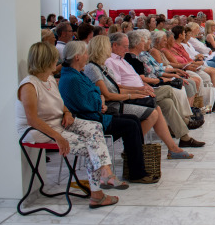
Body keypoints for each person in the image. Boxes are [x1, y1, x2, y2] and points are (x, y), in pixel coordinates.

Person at [17, 42, 124, 209]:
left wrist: (67, 113)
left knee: (95, 127)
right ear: (46, 61)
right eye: (55, 59)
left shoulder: (50, 79)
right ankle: (97, 194)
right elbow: (32, 120)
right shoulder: (29, 85)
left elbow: (61, 104)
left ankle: (105, 172)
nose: (58, 62)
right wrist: (58, 137)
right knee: (91, 146)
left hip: (58, 123)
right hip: (38, 131)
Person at [57, 41, 158, 184]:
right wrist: (100, 102)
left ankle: (135, 165)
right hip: (91, 119)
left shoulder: (76, 73)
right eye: (85, 53)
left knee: (133, 120)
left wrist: (100, 100)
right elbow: (89, 102)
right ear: (77, 57)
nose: (87, 56)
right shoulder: (73, 78)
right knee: (131, 124)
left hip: (95, 113)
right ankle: (137, 171)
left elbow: (96, 94)